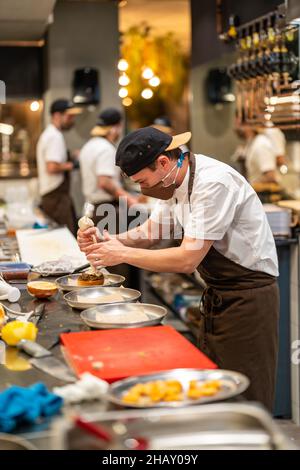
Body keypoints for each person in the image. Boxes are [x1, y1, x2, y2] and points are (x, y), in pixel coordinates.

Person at [77, 127, 279, 411]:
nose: (143, 189)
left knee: (244, 397)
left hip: (248, 300)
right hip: (219, 296)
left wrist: (121, 253)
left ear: (163, 162)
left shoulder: (213, 183)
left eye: (143, 181)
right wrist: (109, 239)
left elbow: (187, 259)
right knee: (215, 390)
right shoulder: (174, 183)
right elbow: (150, 233)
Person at [79, 107, 137, 230]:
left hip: (91, 206)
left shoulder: (88, 146)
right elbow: (104, 182)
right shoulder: (106, 148)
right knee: (110, 246)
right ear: (115, 128)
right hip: (106, 209)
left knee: (95, 246)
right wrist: (129, 199)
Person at [36, 99, 82, 234]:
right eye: (69, 116)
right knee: (65, 239)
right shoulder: (54, 136)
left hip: (54, 197)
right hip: (55, 197)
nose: (72, 120)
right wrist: (74, 165)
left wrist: (71, 156)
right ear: (57, 115)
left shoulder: (51, 134)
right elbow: (51, 167)